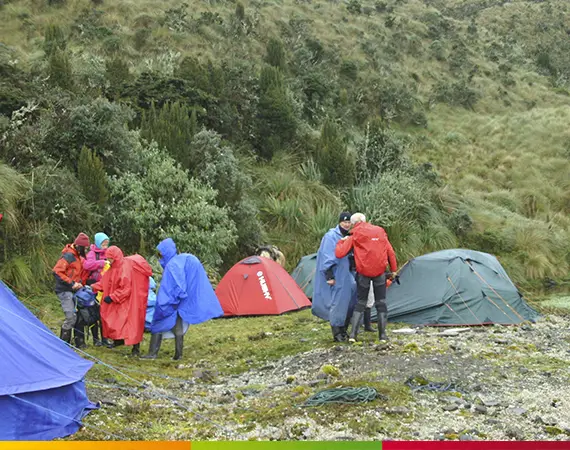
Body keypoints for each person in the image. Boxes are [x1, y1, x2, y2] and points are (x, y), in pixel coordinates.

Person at [141, 238, 224, 360]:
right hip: (178, 300)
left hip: (170, 301)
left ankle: (152, 354)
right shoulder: (179, 260)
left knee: (157, 324)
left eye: (161, 254)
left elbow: (176, 285)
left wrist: (170, 301)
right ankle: (178, 355)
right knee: (177, 326)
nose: (160, 258)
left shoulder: (172, 265)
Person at [335, 213, 397, 343]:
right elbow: (390, 251)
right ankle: (382, 336)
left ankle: (353, 335)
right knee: (381, 302)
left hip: (363, 273)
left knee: (361, 302)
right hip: (380, 272)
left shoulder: (354, 234)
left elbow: (340, 253)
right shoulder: (379, 231)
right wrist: (393, 270)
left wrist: (342, 241)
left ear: (353, 223)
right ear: (365, 220)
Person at [92, 246, 153, 356]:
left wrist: (112, 297)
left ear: (115, 257)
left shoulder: (124, 268)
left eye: (109, 258)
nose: (108, 260)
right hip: (122, 301)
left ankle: (135, 348)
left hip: (132, 301)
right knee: (115, 320)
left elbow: (126, 289)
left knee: (133, 324)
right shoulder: (113, 267)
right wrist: (92, 287)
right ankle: (118, 340)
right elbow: (105, 282)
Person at [312, 212, 357, 342]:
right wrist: (329, 275)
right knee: (338, 302)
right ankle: (337, 332)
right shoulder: (331, 236)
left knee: (350, 300)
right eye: (344, 222)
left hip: (347, 272)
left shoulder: (350, 236)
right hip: (337, 273)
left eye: (349, 222)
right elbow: (327, 256)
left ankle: (344, 329)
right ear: (339, 222)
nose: (347, 225)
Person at [52, 233, 90, 344]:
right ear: (80, 246)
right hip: (64, 290)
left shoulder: (77, 256)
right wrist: (72, 283)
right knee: (71, 317)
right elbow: (56, 271)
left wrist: (80, 284)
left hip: (74, 290)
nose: (86, 250)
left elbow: (76, 273)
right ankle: (64, 344)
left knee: (78, 316)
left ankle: (78, 342)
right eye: (85, 248)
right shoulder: (68, 256)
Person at [80, 232, 110, 347]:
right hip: (93, 287)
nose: (105, 246)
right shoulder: (92, 253)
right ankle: (95, 339)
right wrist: (102, 263)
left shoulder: (107, 253)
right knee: (93, 313)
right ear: (98, 243)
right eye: (103, 244)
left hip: (105, 287)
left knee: (103, 314)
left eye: (107, 244)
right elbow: (87, 265)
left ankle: (104, 338)